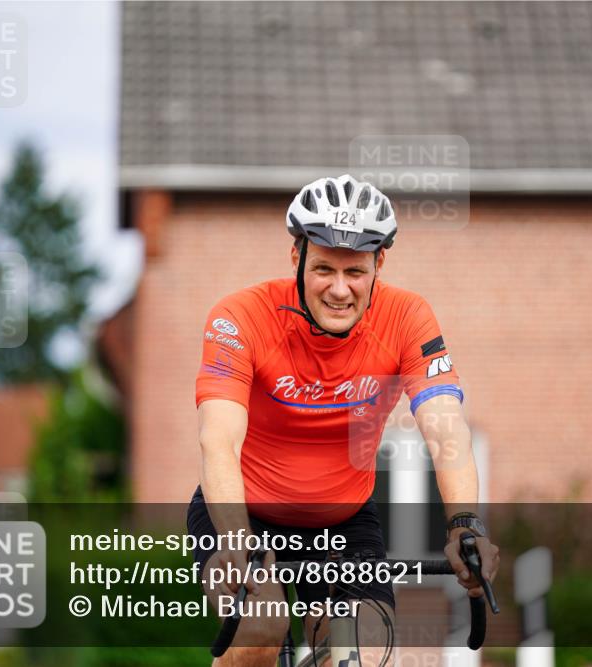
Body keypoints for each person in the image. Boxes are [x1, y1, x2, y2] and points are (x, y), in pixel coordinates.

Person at [188, 174, 500, 666]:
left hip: (344, 524)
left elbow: (446, 430)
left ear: (380, 263)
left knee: (366, 651)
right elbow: (218, 441)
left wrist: (464, 523)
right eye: (323, 269)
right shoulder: (241, 316)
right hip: (241, 513)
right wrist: (234, 540)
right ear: (297, 259)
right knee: (262, 628)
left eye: (355, 271)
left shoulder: (408, 317)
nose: (338, 290)